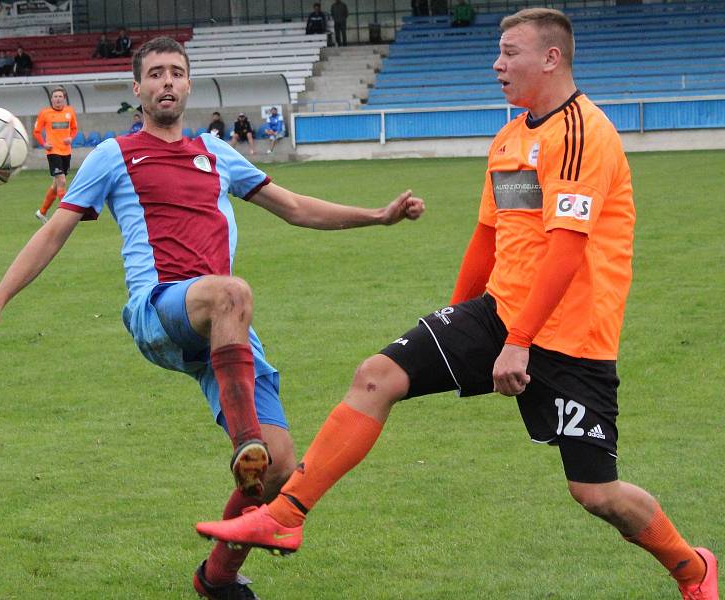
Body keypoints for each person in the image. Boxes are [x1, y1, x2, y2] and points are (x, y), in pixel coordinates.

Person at [196, 9, 719, 599]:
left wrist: (519, 342)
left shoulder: (581, 134)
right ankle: (287, 514)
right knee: (378, 375)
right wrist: (449, 328)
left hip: (571, 338)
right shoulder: (510, 139)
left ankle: (693, 569)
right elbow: (489, 237)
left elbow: (566, 251)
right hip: (498, 313)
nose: (497, 65)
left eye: (509, 53)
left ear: (551, 58)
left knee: (597, 494)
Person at [0, 36, 424, 600]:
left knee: (280, 468)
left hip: (224, 327)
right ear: (137, 89)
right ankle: (243, 442)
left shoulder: (216, 152)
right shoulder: (113, 155)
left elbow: (298, 208)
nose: (165, 82)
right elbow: (55, 230)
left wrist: (378, 216)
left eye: (175, 73)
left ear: (187, 85)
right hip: (160, 309)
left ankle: (218, 576)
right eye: (154, 74)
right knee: (231, 293)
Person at [32, 87, 79, 224]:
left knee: (56, 184)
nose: (58, 99)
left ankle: (41, 212)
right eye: (55, 97)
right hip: (53, 152)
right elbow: (37, 131)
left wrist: (71, 138)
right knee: (62, 181)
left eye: (60, 96)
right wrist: (44, 144)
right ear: (51, 99)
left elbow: (74, 128)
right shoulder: (45, 113)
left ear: (64, 99)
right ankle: (65, 216)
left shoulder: (70, 112)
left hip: (66, 152)